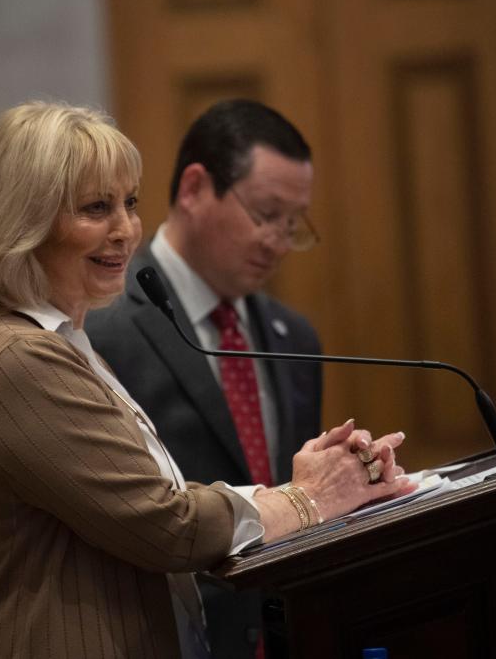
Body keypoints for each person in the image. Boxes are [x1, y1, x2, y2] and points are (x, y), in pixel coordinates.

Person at [0, 100, 411, 659]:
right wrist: (307, 498)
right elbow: (166, 525)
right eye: (96, 208)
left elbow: (157, 501)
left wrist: (297, 487)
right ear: (23, 222)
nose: (126, 230)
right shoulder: (17, 359)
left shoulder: (64, 344)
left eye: (129, 203)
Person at [86, 98, 323, 657]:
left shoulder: (296, 336)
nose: (278, 241)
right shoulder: (101, 330)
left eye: (294, 224)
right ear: (194, 188)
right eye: (265, 215)